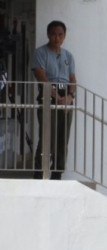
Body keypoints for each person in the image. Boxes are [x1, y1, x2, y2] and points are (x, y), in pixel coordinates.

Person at [30, 20, 76, 180]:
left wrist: (70, 97)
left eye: (60, 35)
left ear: (64, 36)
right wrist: (56, 96)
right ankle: (39, 172)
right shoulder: (40, 53)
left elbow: (72, 79)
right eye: (54, 34)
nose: (57, 38)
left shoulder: (68, 56)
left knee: (63, 138)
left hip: (66, 97)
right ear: (48, 35)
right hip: (48, 95)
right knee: (47, 136)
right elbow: (41, 76)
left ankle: (57, 173)